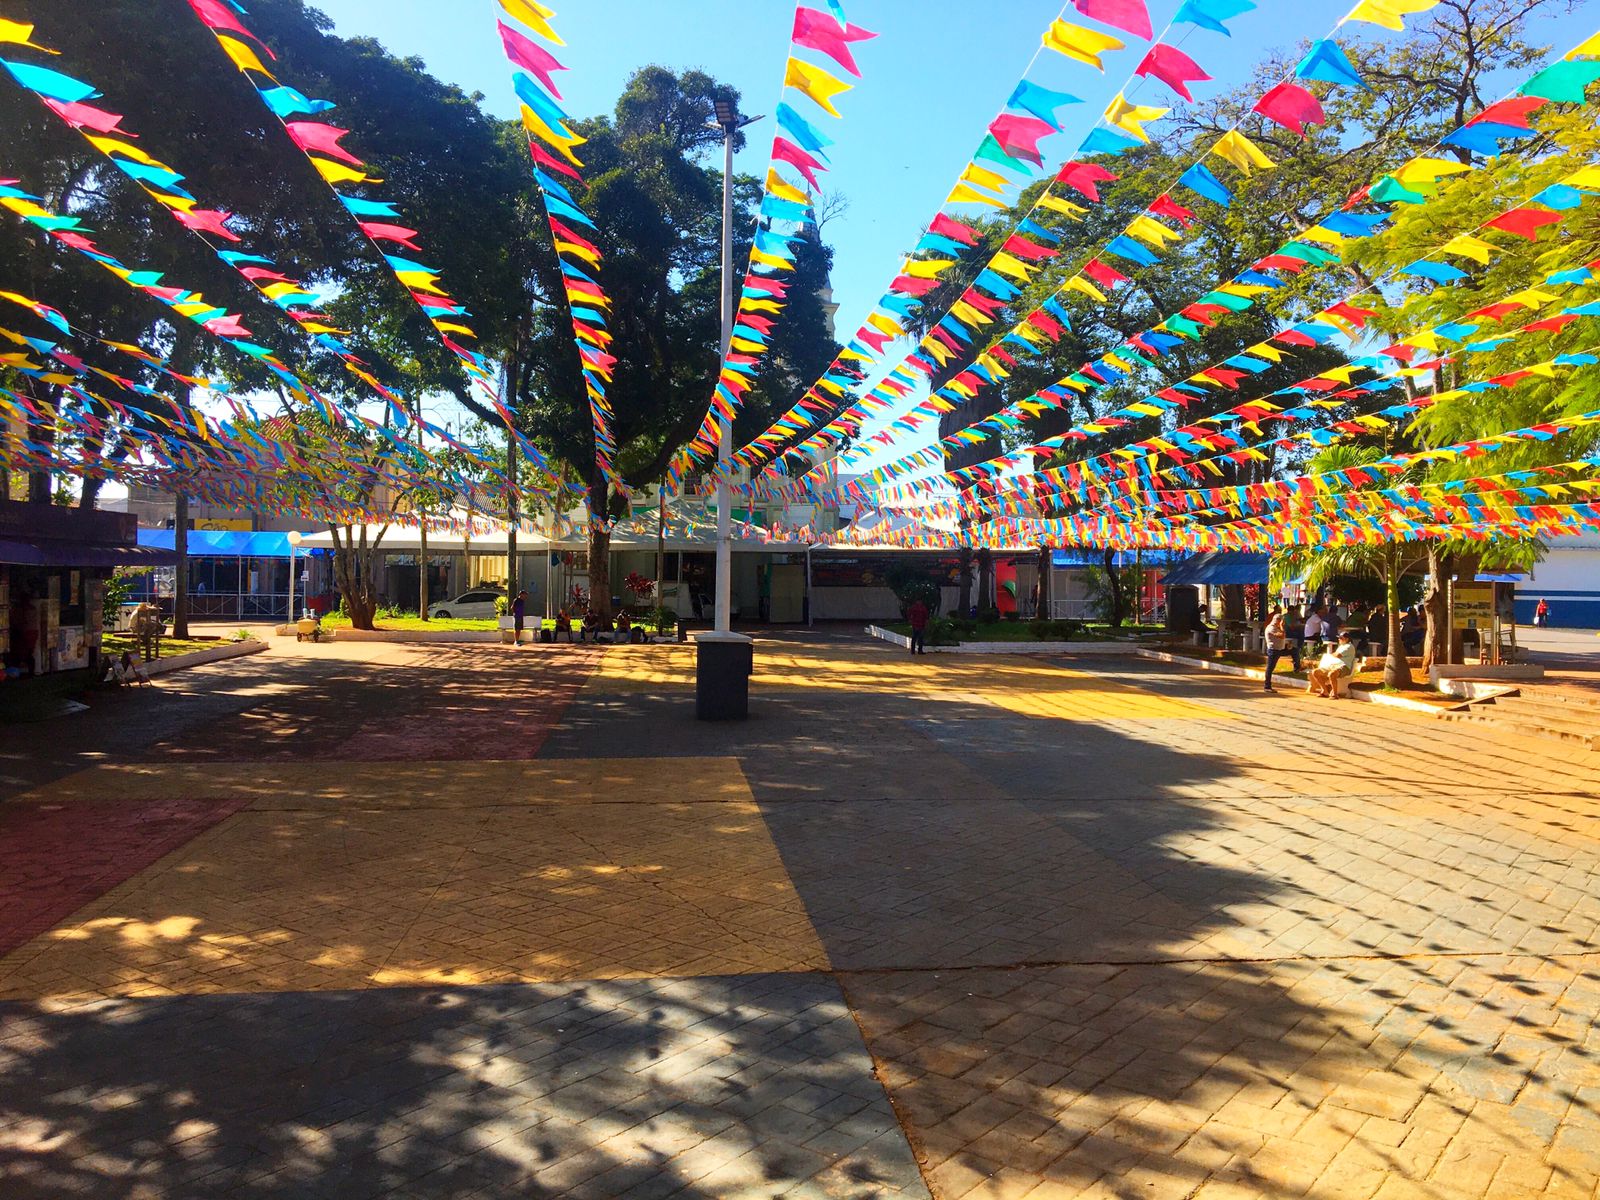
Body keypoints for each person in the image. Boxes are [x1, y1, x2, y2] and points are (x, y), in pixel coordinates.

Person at [1309, 631, 1358, 698]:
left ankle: (1335, 694)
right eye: (1339, 638)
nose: (1339, 639)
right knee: (1315, 672)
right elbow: (1335, 654)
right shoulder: (1341, 646)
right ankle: (1324, 691)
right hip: (1333, 666)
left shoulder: (1349, 646)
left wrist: (1333, 654)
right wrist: (1333, 655)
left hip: (1344, 667)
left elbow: (1338, 655)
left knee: (1332, 674)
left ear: (1347, 639)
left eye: (1341, 638)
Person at [1263, 607, 1291, 692]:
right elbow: (1281, 636)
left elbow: (1282, 638)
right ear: (1278, 620)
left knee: (1294, 650)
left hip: (1279, 649)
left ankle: (1297, 666)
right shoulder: (1271, 628)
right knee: (1270, 668)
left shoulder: (1277, 627)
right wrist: (1282, 627)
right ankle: (1267, 686)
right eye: (1282, 621)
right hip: (1273, 650)